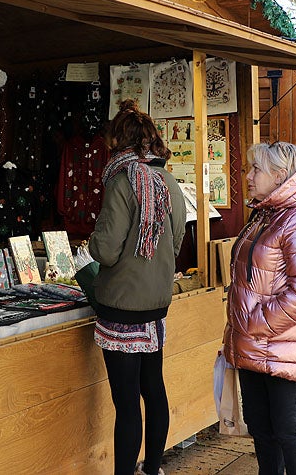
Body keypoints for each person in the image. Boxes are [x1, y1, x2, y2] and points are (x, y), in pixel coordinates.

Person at [223, 141, 296, 475]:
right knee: (261, 429)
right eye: (248, 169)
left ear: (280, 174)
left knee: (288, 430)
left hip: (287, 345)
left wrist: (253, 323)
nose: (248, 176)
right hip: (252, 343)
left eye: (256, 169)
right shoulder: (266, 213)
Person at [89, 100, 185, 475]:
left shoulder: (120, 180)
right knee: (154, 390)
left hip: (121, 307)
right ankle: (153, 468)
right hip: (156, 305)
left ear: (119, 141)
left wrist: (93, 244)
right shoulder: (169, 180)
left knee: (126, 403)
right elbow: (177, 242)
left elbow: (107, 250)